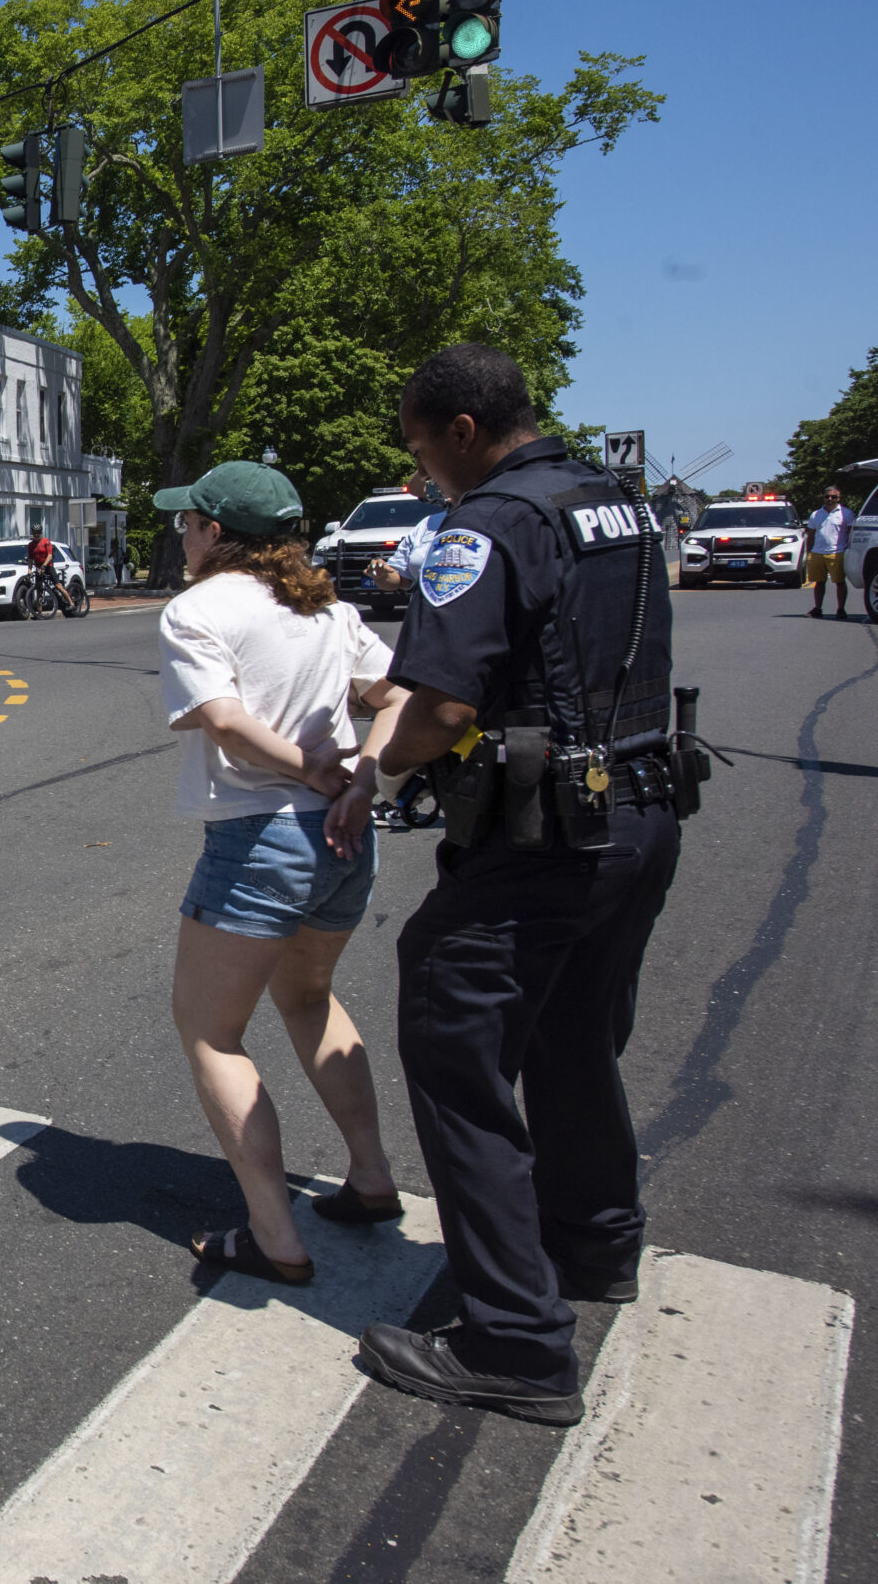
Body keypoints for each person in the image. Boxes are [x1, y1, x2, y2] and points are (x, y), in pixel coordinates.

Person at [357, 344, 684, 1428]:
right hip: (638, 812)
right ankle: (594, 1243)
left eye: (419, 450)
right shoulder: (615, 502)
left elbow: (444, 705)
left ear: (458, 428)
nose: (423, 475)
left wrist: (366, 765)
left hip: (545, 833)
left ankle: (515, 1340)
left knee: (454, 1037)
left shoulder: (488, 523)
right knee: (570, 1034)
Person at [153, 461, 410, 1288]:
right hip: (342, 837)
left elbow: (224, 721)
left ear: (219, 533)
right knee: (308, 997)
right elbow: (397, 695)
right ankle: (370, 1175)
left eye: (189, 522)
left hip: (260, 835)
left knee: (209, 1030)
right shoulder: (327, 607)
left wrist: (306, 771)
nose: (180, 534)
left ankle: (275, 1234)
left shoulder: (197, 609)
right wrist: (362, 776)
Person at [804, 484, 853, 618]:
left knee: (840, 582)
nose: (830, 499)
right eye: (827, 496)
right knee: (819, 582)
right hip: (817, 552)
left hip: (837, 552)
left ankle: (841, 609)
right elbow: (811, 534)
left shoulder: (846, 514)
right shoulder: (816, 514)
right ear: (824, 498)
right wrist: (808, 552)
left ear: (839, 498)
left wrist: (850, 551)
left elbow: (851, 534)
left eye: (833, 497)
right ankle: (818, 608)